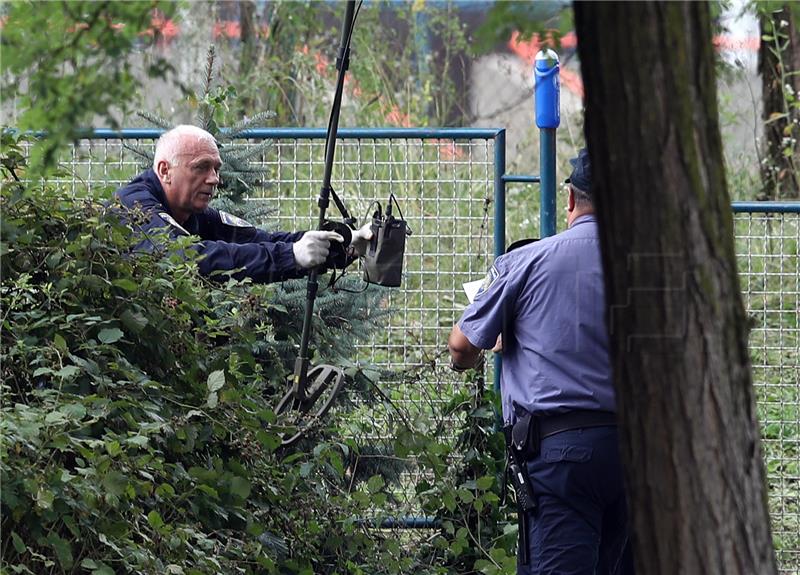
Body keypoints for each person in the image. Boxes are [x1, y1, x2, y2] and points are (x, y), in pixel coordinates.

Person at [448, 149, 632, 574]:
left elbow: (461, 346)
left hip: (561, 455)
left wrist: (485, 353)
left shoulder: (526, 261)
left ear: (570, 199)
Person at [114, 125, 372, 283]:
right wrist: (292, 255)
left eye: (216, 168)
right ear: (165, 170)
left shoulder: (194, 214)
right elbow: (187, 258)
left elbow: (260, 241)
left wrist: (346, 245)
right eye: (201, 167)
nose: (214, 179)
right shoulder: (136, 206)